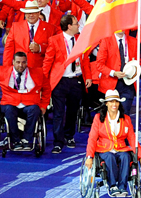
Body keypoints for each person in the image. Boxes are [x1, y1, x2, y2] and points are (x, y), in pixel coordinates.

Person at [43, 15, 92, 154]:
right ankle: (58, 142)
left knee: (73, 111)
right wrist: (44, 83)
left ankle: (69, 136)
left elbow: (85, 60)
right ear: (69, 26)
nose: (78, 26)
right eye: (76, 24)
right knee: (58, 113)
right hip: (60, 81)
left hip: (76, 80)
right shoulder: (55, 40)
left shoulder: (80, 40)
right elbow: (47, 62)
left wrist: (88, 77)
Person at [85, 90, 141, 197]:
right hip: (104, 149)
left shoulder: (126, 119)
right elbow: (92, 138)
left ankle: (122, 187)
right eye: (111, 101)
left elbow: (132, 138)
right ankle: (113, 185)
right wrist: (89, 156)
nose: (114, 104)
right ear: (106, 103)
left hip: (121, 148)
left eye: (116, 102)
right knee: (109, 157)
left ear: (119, 103)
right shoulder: (98, 118)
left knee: (125, 157)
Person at [0, 52, 51, 150]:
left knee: (35, 109)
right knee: (9, 109)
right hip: (9, 102)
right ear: (13, 62)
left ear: (27, 62)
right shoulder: (2, 71)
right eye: (18, 62)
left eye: (23, 62)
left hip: (29, 103)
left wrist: (43, 105)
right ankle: (15, 140)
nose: (21, 65)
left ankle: (26, 140)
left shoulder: (38, 72)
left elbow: (47, 88)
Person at [3, 0, 57, 68]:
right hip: (20, 69)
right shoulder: (15, 27)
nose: (31, 15)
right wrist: (6, 68)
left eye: (34, 13)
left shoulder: (50, 28)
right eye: (28, 13)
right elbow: (8, 50)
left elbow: (54, 49)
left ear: (39, 12)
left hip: (40, 69)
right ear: (25, 14)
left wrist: (40, 48)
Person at [96, 31, 137, 115]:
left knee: (125, 114)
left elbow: (137, 63)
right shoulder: (106, 41)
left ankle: (123, 128)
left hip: (128, 83)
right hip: (111, 84)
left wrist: (132, 72)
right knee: (111, 116)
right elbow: (99, 64)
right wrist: (113, 73)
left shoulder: (133, 41)